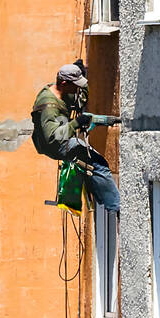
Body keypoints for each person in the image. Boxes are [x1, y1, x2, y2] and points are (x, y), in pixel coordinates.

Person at [31, 62, 120, 213]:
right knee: (98, 163)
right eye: (75, 84)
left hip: (59, 134)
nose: (78, 88)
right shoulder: (49, 107)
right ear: (64, 83)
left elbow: (79, 98)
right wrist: (76, 123)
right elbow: (52, 138)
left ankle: (99, 194)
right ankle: (116, 208)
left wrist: (77, 70)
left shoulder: (60, 89)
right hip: (54, 146)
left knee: (89, 164)